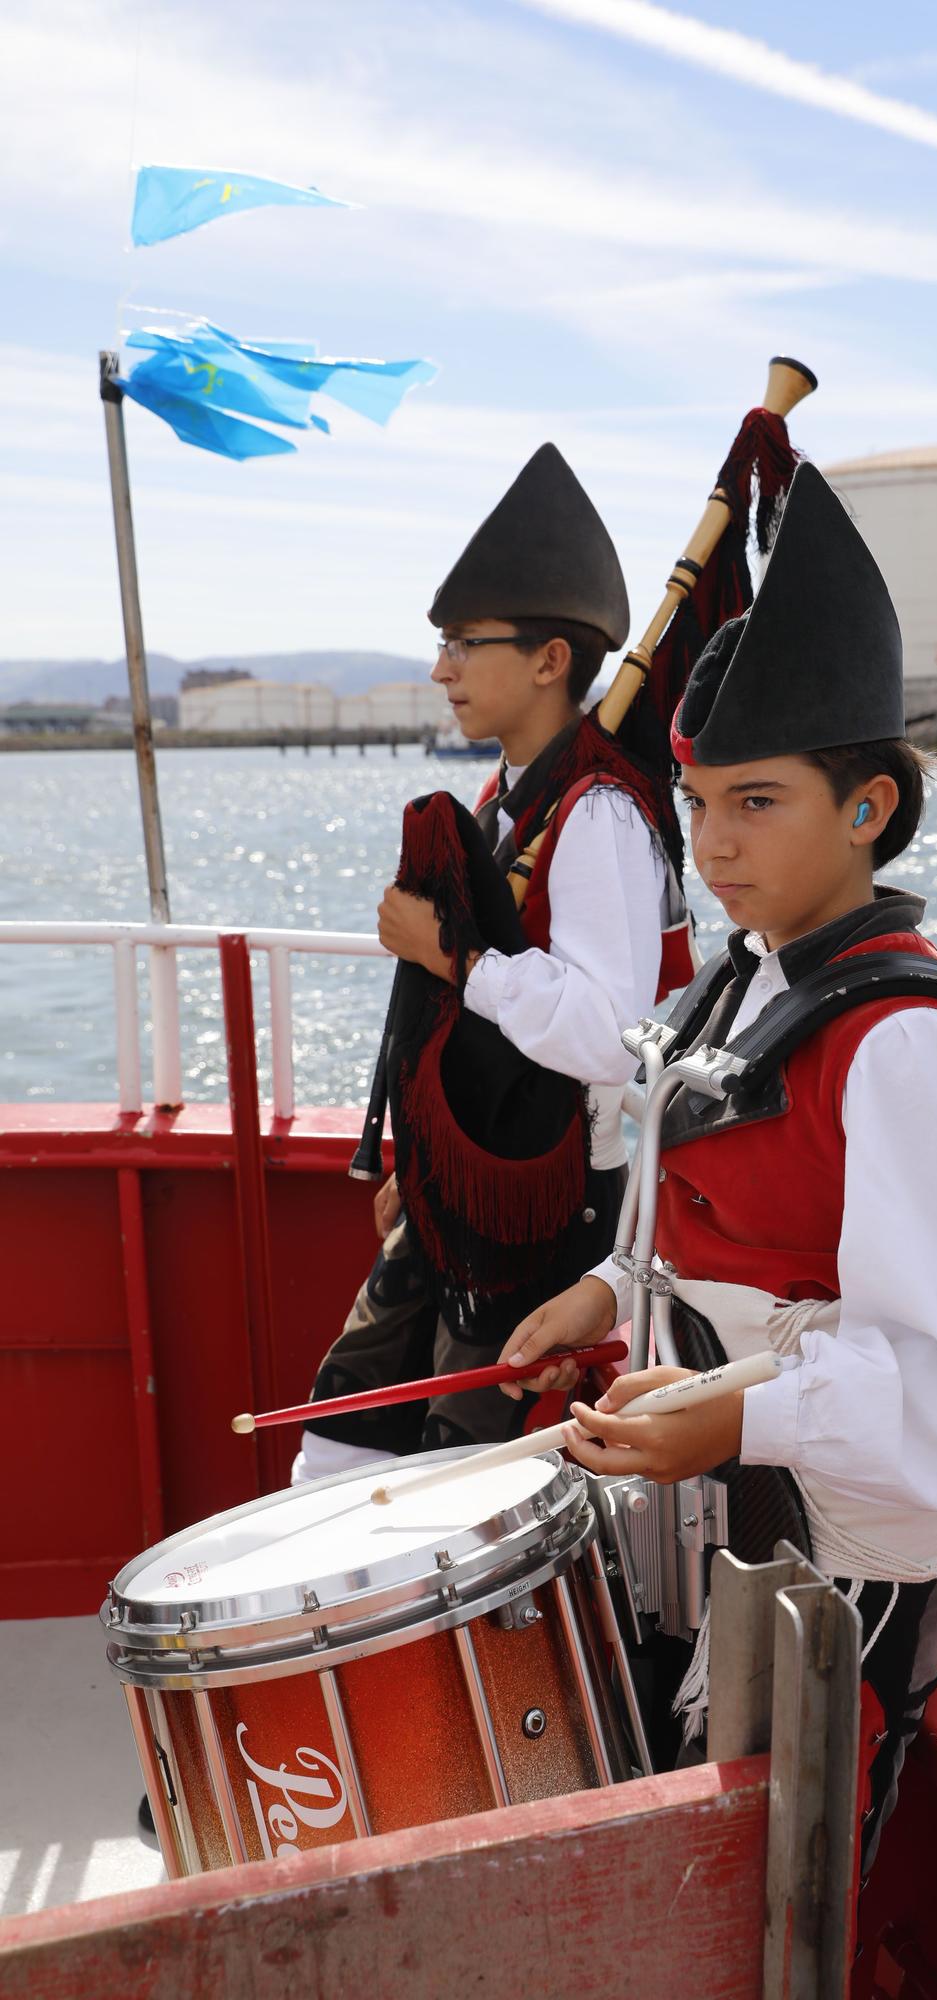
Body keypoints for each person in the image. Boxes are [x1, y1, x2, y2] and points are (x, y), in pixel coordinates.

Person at [495, 460, 937, 1874]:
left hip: (840, 1554)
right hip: (727, 1501)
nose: (715, 847)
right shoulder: (741, 983)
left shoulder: (909, 1046)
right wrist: (602, 1291)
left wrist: (731, 1423)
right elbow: (718, 1227)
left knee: (771, 1890)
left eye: (756, 802)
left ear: (869, 807)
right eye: (696, 806)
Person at [293, 444, 692, 1482]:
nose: (442, 669)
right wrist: (417, 1161)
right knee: (344, 1427)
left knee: (455, 1470)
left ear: (550, 658)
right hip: (463, 1192)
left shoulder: (597, 811)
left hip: (544, 1206)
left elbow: (608, 1031)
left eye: (466, 643)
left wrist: (450, 954)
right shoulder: (506, 802)